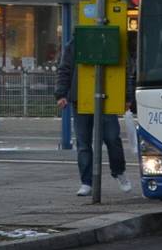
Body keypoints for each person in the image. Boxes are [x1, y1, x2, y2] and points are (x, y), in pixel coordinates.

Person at [55, 36, 130, 197]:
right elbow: (65, 68)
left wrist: (127, 96)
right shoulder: (76, 42)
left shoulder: (79, 41)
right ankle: (87, 181)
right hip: (83, 96)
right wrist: (61, 93)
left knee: (110, 138)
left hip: (104, 95)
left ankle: (117, 171)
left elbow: (124, 69)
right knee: (85, 142)